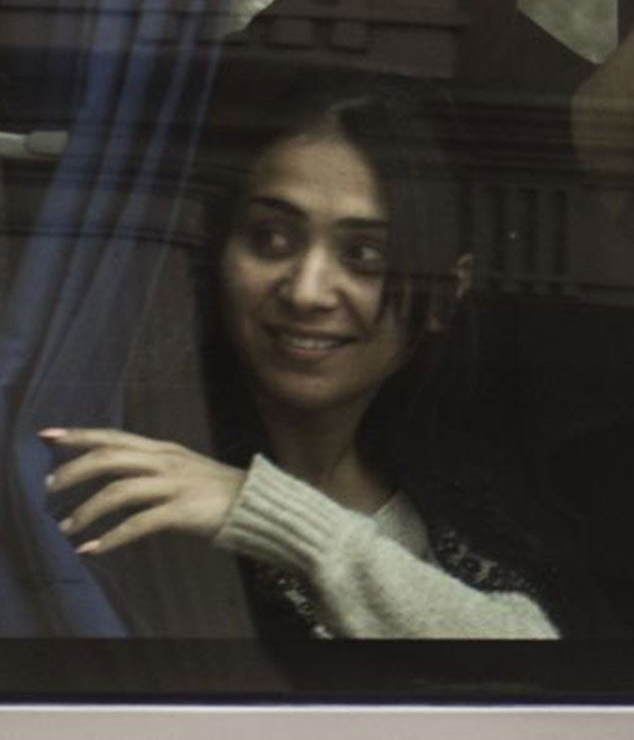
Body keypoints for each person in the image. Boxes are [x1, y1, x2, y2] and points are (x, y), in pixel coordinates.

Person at [40, 76, 591, 638]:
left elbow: (530, 657)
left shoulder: (461, 511)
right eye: (271, 239)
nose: (307, 291)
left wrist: (262, 513)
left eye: (364, 255)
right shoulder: (144, 469)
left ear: (445, 297)